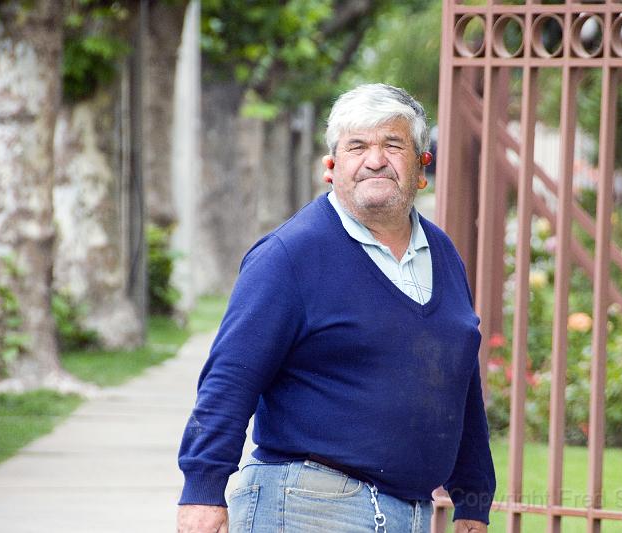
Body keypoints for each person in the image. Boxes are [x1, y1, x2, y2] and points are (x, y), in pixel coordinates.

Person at [176, 83, 495, 533]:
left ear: (423, 167)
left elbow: (459, 381)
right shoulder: (291, 255)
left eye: (393, 144)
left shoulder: (441, 254)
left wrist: (473, 499)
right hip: (309, 505)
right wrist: (202, 491)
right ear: (331, 167)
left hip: (410, 512)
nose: (375, 159)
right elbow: (231, 376)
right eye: (357, 146)